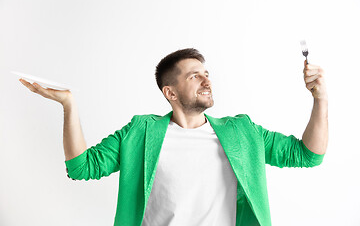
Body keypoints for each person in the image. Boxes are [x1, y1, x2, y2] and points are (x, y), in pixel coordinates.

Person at [19, 48, 328, 226]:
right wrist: (68, 105)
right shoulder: (141, 132)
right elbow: (81, 168)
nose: (206, 79)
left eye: (207, 73)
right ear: (171, 92)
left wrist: (320, 99)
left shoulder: (242, 131)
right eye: (194, 75)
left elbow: (308, 155)